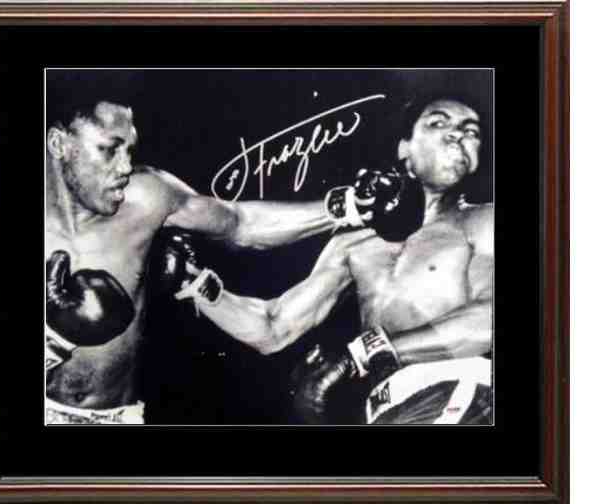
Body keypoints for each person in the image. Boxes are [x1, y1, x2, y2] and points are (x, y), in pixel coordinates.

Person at [44, 99, 396, 424]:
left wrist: (352, 205)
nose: (124, 166)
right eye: (109, 149)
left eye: (129, 150)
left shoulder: (145, 197)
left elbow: (241, 224)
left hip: (119, 415)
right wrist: (54, 340)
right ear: (59, 144)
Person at [186, 95, 493, 424]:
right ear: (404, 147)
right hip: (389, 409)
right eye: (438, 122)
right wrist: (195, 285)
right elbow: (274, 327)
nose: (457, 134)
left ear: (476, 159)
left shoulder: (483, 221)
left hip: (464, 390)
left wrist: (359, 354)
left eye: (471, 131)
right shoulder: (353, 242)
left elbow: (487, 320)